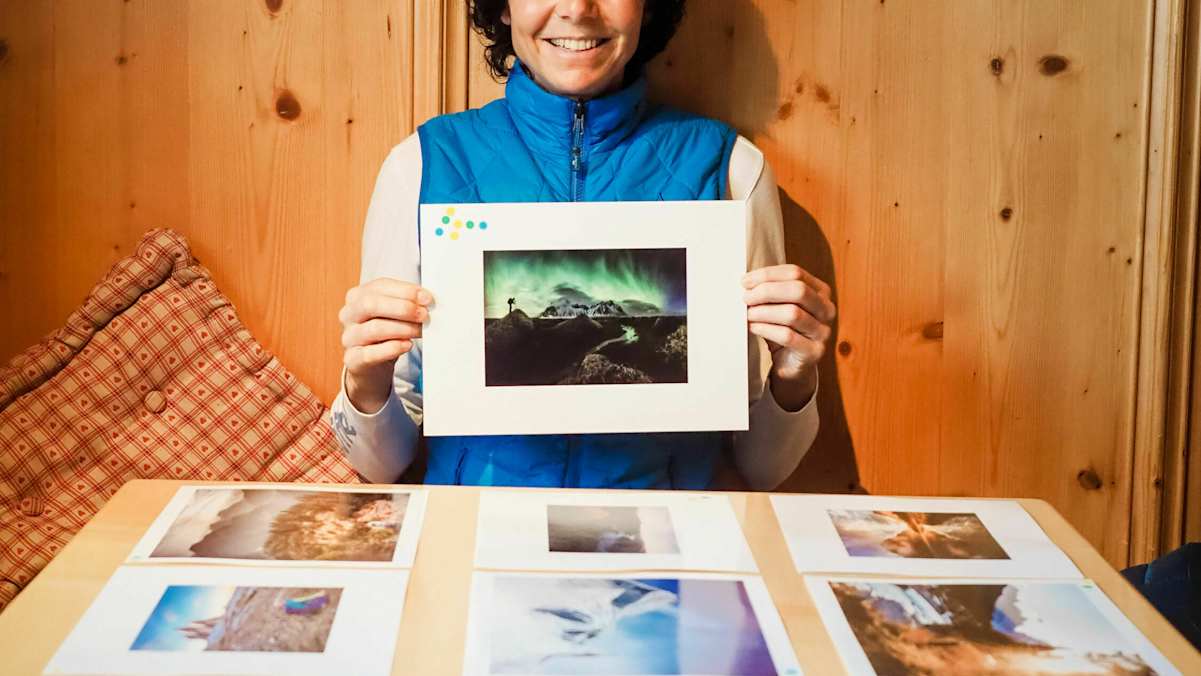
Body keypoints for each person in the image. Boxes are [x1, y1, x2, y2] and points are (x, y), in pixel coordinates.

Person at [331, 0, 836, 490]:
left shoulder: (729, 169)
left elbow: (761, 469)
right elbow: (382, 467)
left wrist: (793, 377)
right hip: (477, 538)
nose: (577, 8)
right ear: (502, 6)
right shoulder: (422, 166)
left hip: (671, 545)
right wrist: (365, 383)